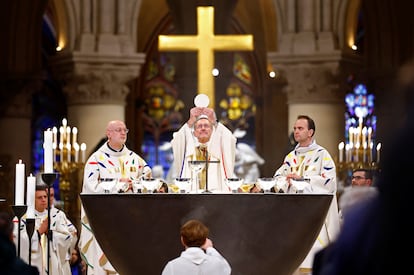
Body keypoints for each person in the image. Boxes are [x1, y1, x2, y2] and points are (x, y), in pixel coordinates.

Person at [79, 119, 152, 275]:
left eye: (125, 130)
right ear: (108, 134)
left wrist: (135, 184)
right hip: (105, 222)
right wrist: (118, 185)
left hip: (130, 221)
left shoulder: (136, 159)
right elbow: (91, 189)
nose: (122, 133)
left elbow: (149, 181)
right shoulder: (96, 160)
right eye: (118, 130)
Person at [272, 115, 340, 274]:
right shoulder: (290, 157)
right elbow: (277, 180)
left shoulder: (322, 155)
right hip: (293, 217)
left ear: (311, 132)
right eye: (295, 128)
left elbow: (329, 183)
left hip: (314, 218)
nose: (296, 131)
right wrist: (286, 182)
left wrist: (303, 180)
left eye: (300, 128)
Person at [13, 184, 76, 275]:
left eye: (45, 196)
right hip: (32, 263)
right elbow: (16, 240)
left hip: (54, 265)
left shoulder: (57, 215)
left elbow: (67, 237)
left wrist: (51, 234)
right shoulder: (21, 218)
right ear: (32, 199)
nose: (43, 199)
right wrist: (39, 232)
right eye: (39, 197)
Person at [171, 105, 236, 192]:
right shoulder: (188, 148)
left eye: (206, 125)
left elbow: (230, 139)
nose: (203, 128)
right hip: (192, 194)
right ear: (194, 132)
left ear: (212, 130)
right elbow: (177, 140)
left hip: (216, 192)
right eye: (199, 126)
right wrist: (190, 122)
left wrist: (214, 121)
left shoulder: (218, 147)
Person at [161, 219, 231, 275]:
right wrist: (210, 249)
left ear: (182, 240)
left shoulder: (172, 267)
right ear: (204, 241)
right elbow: (227, 270)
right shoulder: (217, 264)